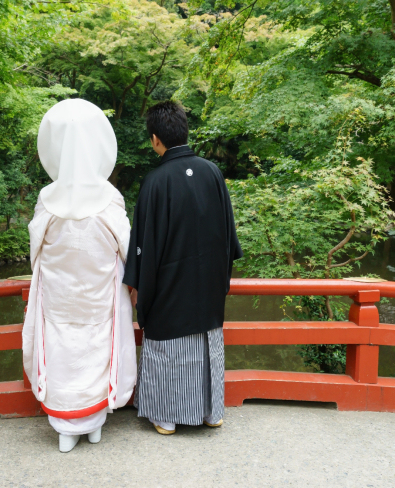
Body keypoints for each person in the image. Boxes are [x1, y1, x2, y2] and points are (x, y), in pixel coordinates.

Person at [22, 98, 137, 453]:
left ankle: (65, 429)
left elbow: (36, 250)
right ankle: (95, 424)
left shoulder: (47, 198)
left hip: (59, 296)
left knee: (59, 352)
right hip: (99, 294)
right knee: (98, 349)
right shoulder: (110, 198)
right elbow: (127, 247)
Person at [123, 100, 243, 435]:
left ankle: (166, 416)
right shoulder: (213, 173)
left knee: (168, 347)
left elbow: (142, 245)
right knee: (207, 346)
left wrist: (138, 285)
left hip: (169, 290)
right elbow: (228, 238)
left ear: (155, 139)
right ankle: (210, 412)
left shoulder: (155, 182)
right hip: (207, 287)